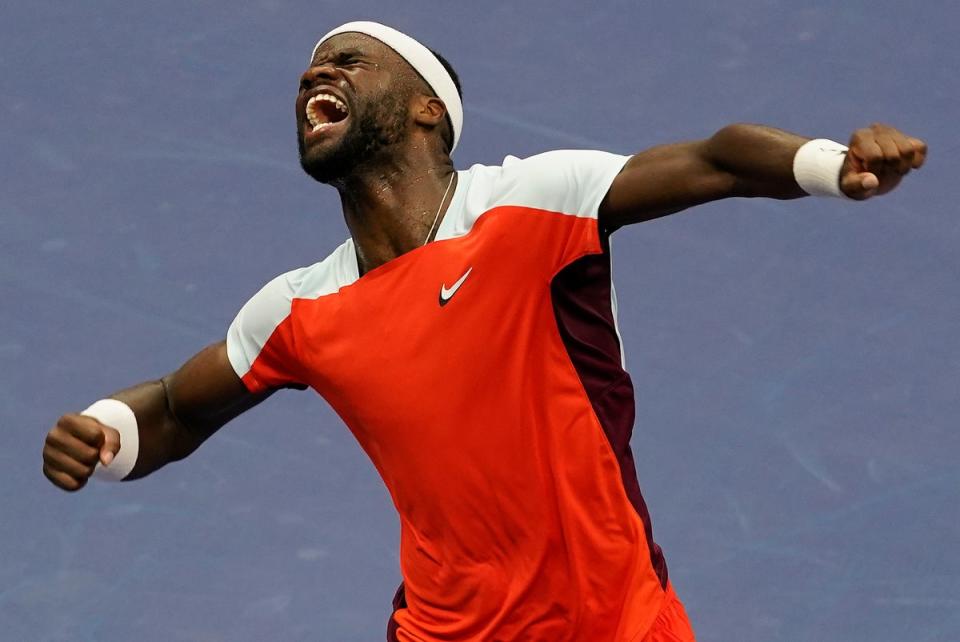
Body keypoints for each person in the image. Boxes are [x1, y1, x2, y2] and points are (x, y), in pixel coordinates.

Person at [41, 20, 927, 642]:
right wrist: (106, 434)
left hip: (621, 623)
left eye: (348, 61)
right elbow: (174, 408)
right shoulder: (298, 310)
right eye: (311, 69)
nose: (317, 75)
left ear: (429, 109)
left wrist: (828, 166)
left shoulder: (534, 202)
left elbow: (718, 158)